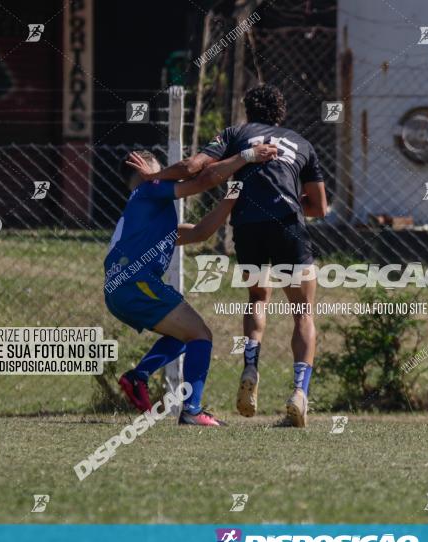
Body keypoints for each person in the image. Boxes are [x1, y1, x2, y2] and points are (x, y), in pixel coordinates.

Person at [137, 84, 327, 427]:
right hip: (288, 223)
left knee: (257, 298)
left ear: (248, 112)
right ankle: (300, 392)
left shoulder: (237, 134)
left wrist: (154, 177)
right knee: (303, 312)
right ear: (281, 115)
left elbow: (194, 166)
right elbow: (320, 207)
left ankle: (250, 365)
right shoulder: (302, 144)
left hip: (248, 225)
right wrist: (288, 202)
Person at [105, 143, 277, 426]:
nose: (170, 174)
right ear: (148, 171)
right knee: (201, 336)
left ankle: (137, 378)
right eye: (162, 169)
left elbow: (199, 232)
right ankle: (192, 411)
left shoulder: (147, 211)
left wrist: (232, 195)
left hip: (119, 288)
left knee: (184, 335)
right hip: (135, 282)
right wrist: (246, 156)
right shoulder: (150, 189)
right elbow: (198, 178)